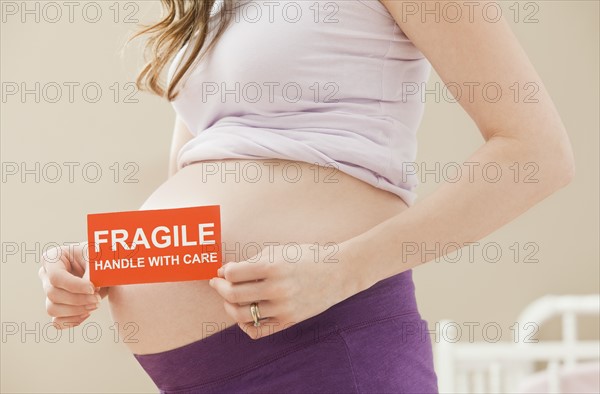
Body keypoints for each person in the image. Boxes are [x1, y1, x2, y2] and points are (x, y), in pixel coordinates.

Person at [38, 1, 575, 393]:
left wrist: (342, 269)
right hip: (194, 375)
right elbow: (202, 169)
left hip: (325, 350)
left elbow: (537, 153)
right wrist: (102, 262)